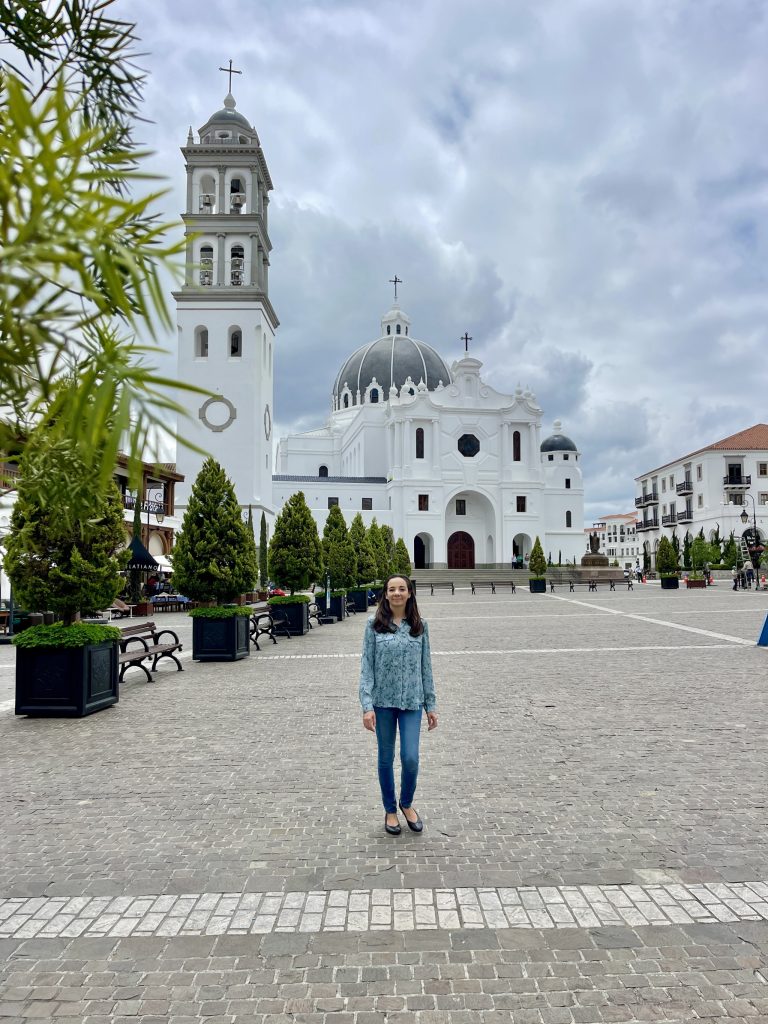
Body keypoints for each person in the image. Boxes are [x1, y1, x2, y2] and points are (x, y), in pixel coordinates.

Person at [359, 574, 437, 836]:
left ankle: (407, 803)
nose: (397, 593)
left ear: (410, 593)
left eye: (401, 589)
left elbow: (426, 667)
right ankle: (390, 809)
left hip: (412, 702)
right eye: (392, 589)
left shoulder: (420, 626)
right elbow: (366, 668)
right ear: (385, 594)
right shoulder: (373, 626)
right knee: (385, 757)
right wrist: (366, 705)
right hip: (382, 703)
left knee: (410, 758)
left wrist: (431, 705)